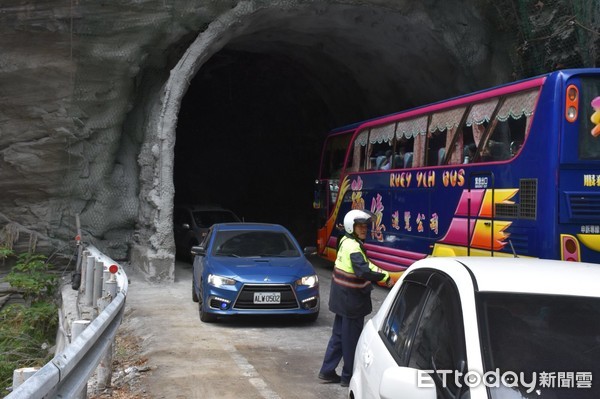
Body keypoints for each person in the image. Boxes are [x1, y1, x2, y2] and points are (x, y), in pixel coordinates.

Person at [318, 209, 393, 387]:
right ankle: (348, 376)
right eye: (360, 226)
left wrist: (383, 272)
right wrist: (384, 277)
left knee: (338, 336)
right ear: (352, 227)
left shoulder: (345, 241)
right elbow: (363, 270)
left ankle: (327, 371)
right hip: (351, 302)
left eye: (365, 226)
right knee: (351, 340)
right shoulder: (354, 247)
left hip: (340, 300)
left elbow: (364, 265)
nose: (364, 229)